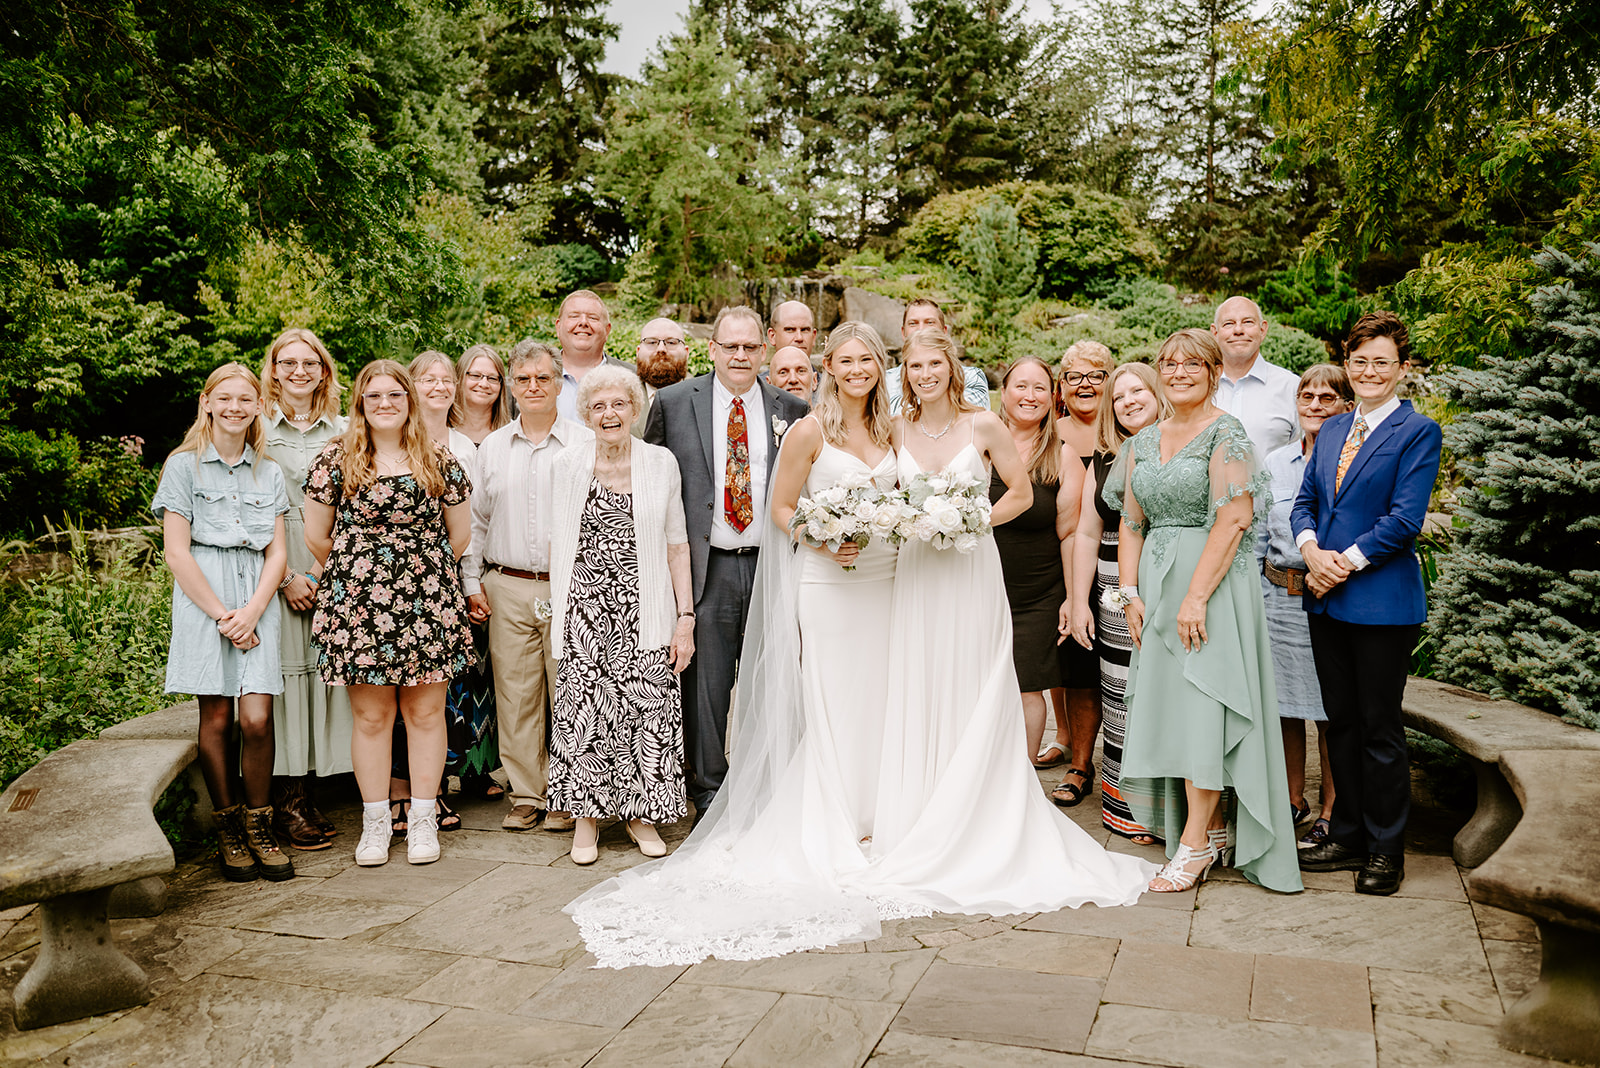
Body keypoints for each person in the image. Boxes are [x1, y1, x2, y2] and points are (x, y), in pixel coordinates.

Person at [561, 328, 1153, 968]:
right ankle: (839, 822)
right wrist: (820, 536)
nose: (857, 370)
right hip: (832, 584)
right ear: (829, 368)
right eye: (844, 361)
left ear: (881, 366)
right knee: (838, 702)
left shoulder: (896, 430)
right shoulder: (809, 429)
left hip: (892, 583)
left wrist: (954, 519)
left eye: (867, 359)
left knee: (887, 700)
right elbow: (781, 510)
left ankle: (886, 819)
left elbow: (923, 492)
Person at [1106, 329, 1301, 894]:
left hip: (1211, 586)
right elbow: (1131, 522)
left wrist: (1195, 597)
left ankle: (1192, 845)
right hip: (1156, 591)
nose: (1179, 371)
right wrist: (1130, 593)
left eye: (1193, 363)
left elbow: (1235, 519)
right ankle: (1208, 831)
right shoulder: (1142, 440)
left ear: (1215, 371)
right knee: (1175, 709)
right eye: (1169, 363)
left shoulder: (1228, 433)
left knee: (1204, 709)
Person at [303, 360, 475, 867]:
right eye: (374, 395)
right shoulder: (336, 460)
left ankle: (422, 820)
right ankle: (376, 823)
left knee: (424, 714)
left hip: (428, 602)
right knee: (373, 717)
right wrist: (365, 574)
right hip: (360, 607)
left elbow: (459, 536)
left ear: (409, 402)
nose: (385, 403)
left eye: (395, 395)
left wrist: (418, 571)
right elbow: (318, 537)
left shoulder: (438, 459)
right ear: (361, 402)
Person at [1293, 312, 1442, 896]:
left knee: (1380, 729)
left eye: (1382, 361)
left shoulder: (1417, 431)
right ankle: (1348, 831)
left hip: (1380, 603)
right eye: (1360, 361)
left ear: (1401, 368)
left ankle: (1386, 850)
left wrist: (1339, 563)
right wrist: (1310, 551)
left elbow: (1404, 521)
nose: (1370, 371)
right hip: (1326, 601)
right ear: (1348, 364)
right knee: (1342, 723)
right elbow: (1305, 502)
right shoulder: (1331, 429)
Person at [644, 305, 810, 814]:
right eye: (730, 346)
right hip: (707, 568)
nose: (740, 355)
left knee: (771, 680)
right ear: (712, 349)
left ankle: (768, 792)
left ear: (764, 351)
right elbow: (651, 490)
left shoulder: (792, 410)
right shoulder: (673, 404)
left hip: (771, 564)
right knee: (705, 690)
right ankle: (710, 795)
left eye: (750, 347)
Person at [153, 363, 294, 882]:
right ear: (207, 402)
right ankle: (229, 830)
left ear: (259, 406)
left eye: (246, 399)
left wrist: (254, 610)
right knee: (217, 718)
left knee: (256, 718)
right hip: (204, 597)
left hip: (256, 594)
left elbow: (278, 552)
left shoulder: (269, 471)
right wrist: (223, 616)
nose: (235, 408)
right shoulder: (183, 466)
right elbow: (176, 551)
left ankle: (261, 825)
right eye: (225, 399)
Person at [549, 366, 694, 864]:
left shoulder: (660, 462)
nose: (609, 414)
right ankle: (585, 822)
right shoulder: (567, 464)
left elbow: (678, 544)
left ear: (634, 410)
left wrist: (685, 617)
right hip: (584, 614)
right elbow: (558, 546)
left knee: (647, 716)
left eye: (619, 405)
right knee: (584, 719)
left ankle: (641, 816)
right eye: (598, 406)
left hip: (646, 610)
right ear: (586, 414)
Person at [461, 341, 594, 835]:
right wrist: (472, 583)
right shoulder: (493, 447)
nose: (533, 387)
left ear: (560, 382)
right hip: (508, 585)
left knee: (571, 693)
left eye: (543, 377)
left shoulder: (585, 443)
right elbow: (474, 522)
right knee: (515, 695)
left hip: (571, 587)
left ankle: (570, 794)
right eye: (523, 379)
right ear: (511, 386)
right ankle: (527, 794)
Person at [1064, 361, 1169, 845]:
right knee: (1121, 692)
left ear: (1158, 392)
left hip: (1167, 578)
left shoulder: (1183, 444)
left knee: (1166, 691)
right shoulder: (1105, 457)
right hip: (1110, 587)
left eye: (1137, 391)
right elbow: (1086, 531)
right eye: (1120, 396)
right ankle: (1127, 807)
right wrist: (1078, 601)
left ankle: (1173, 807)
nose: (1127, 401)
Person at [385, 350, 489, 835]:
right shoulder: (390, 439)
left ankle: (434, 791)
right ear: (411, 386)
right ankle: (398, 792)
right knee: (394, 693)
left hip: (442, 585)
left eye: (448, 379)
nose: (439, 386)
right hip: (386, 591)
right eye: (428, 379)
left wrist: (463, 584)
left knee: (440, 698)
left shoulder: (464, 448)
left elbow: (466, 530)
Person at [259, 329, 348, 852]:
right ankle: (287, 803)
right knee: (287, 688)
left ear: (323, 370)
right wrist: (289, 575)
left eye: (308, 362)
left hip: (332, 570)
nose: (298, 371)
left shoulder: (342, 431)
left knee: (324, 682)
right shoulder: (259, 432)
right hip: (276, 571)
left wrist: (324, 571)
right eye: (287, 363)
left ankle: (313, 794)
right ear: (273, 370)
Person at [1259, 363, 1353, 848]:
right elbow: (1258, 534)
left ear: (1346, 405)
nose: (1315, 405)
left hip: (1330, 597)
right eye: (1307, 397)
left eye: (1328, 397)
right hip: (1276, 596)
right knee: (1282, 708)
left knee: (1329, 709)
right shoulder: (1274, 463)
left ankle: (1332, 809)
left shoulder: (1352, 461)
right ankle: (1290, 799)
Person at [990, 358, 1068, 767]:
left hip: (1039, 592)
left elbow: (1072, 533)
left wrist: (1071, 596)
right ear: (1003, 393)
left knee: (1027, 687)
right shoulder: (979, 443)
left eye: (1040, 388)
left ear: (1052, 397)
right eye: (1021, 386)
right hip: (979, 584)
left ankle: (1021, 773)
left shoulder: (1062, 455)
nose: (1029, 396)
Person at [1047, 340, 1114, 806]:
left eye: (1097, 375)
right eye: (1075, 377)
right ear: (1062, 387)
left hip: (1118, 564)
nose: (1086, 384)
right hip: (1060, 563)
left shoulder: (1129, 431)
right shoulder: (1050, 434)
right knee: (1075, 665)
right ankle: (1080, 762)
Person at [1210, 296, 1299, 459]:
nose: (1238, 330)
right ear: (1215, 333)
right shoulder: (1200, 387)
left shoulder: (1291, 387)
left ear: (1262, 330)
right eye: (1228, 323)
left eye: (1248, 322)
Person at [882, 298, 990, 412]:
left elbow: (970, 420)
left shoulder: (971, 378)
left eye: (930, 322)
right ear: (903, 333)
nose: (921, 329)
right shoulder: (886, 381)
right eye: (913, 323)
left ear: (944, 331)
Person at [554, 289, 633, 422]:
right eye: (574, 316)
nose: (583, 322)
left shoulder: (633, 378)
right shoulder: (528, 379)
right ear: (558, 327)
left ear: (607, 330)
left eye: (593, 318)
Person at [632, 319, 691, 435]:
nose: (661, 349)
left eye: (671, 342)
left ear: (686, 352)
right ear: (638, 352)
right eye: (652, 342)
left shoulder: (708, 397)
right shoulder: (619, 396)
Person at [451, 343, 513, 446]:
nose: (484, 384)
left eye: (492, 378)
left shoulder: (513, 434)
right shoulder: (442, 431)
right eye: (475, 375)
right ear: (459, 377)